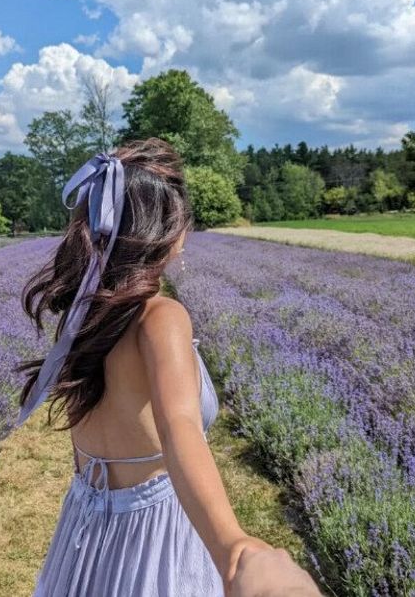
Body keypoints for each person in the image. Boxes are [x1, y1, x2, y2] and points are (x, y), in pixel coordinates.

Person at [18, 139, 283, 596]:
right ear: (171, 231)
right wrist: (233, 547)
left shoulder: (86, 313)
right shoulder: (161, 318)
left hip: (83, 522)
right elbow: (179, 428)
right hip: (151, 532)